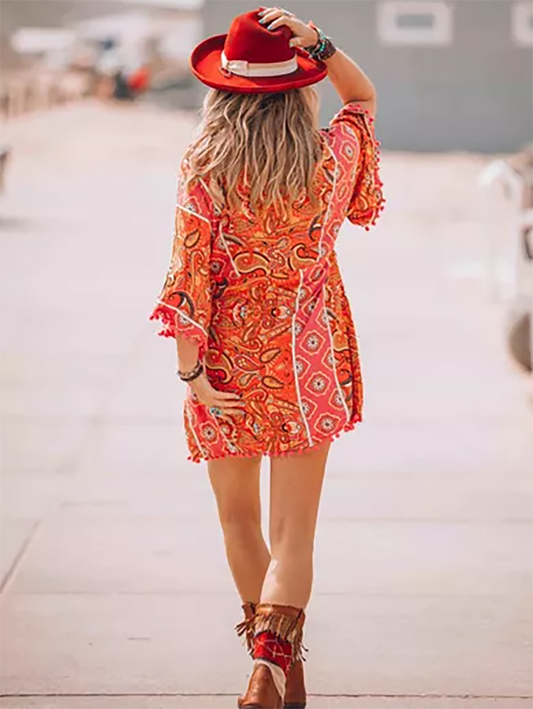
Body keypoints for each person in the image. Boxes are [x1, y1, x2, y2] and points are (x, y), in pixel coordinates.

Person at [150, 7, 384, 709]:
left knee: (238, 522)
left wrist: (192, 374)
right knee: (294, 534)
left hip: (224, 364)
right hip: (305, 360)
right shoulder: (328, 158)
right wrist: (320, 43)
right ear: (297, 88)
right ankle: (271, 668)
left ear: (222, 92)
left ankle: (267, 665)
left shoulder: (204, 167)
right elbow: (363, 98)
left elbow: (186, 279)